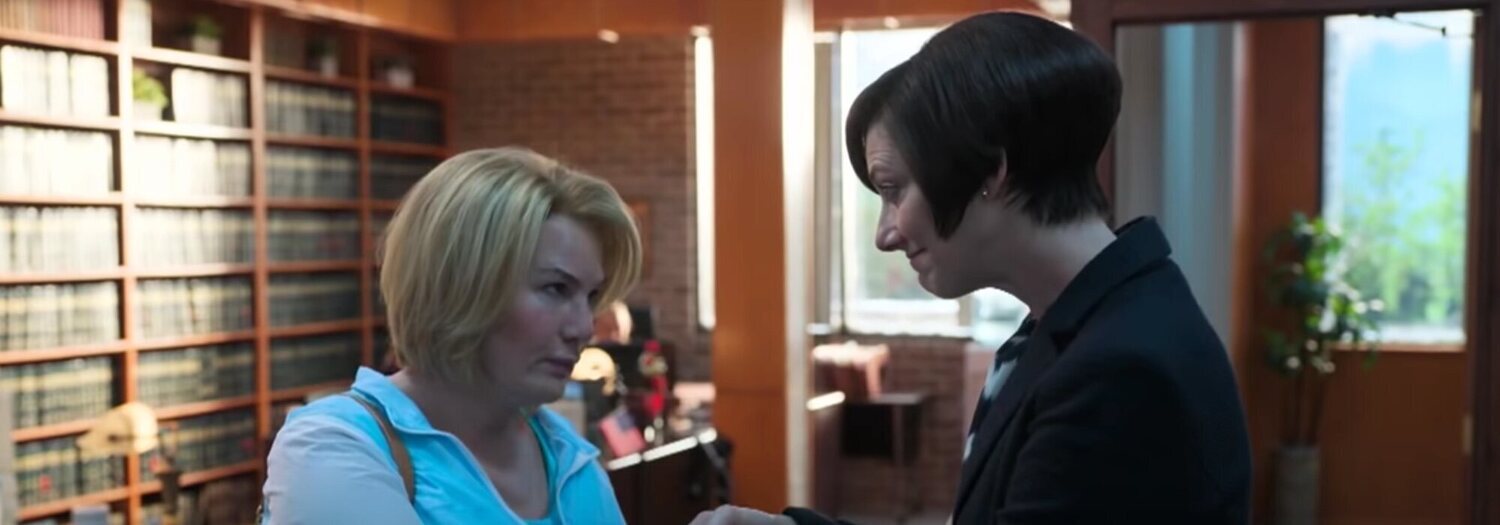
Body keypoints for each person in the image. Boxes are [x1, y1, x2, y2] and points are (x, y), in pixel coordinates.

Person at [692, 11, 1251, 525]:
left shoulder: (1120, 370)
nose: (885, 234)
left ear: (990, 171)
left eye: (894, 190)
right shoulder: (1085, 323)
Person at [261, 147, 642, 524]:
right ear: (461, 286)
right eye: (556, 288)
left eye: (591, 297)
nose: (584, 328)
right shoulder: (333, 447)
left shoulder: (567, 455)